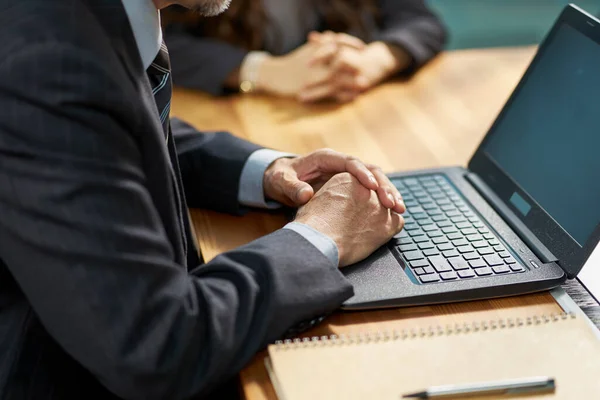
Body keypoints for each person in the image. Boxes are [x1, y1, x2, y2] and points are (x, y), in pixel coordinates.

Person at [0, 0, 406, 399]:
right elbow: (157, 346)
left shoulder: (93, 20)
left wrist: (265, 171)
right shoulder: (47, 65)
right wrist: (319, 236)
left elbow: (115, 130)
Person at [163, 0, 447, 102]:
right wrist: (262, 71)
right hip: (247, 118)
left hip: (343, 109)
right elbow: (163, 41)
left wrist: (374, 60)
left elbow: (421, 21)